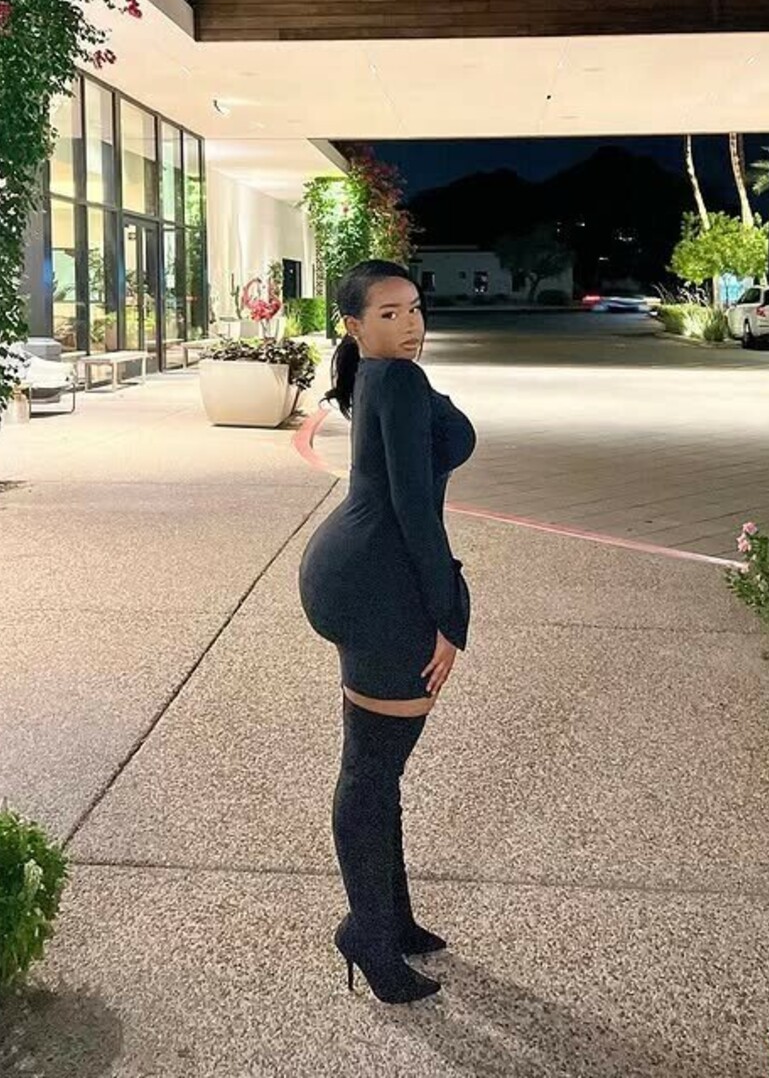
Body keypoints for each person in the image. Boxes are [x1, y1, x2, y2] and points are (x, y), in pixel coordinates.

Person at [298, 259, 476, 1004]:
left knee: (377, 766)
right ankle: (368, 932)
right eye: (389, 314)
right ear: (353, 325)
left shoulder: (378, 374)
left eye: (415, 308)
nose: (410, 325)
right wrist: (450, 614)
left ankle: (389, 919)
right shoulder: (395, 380)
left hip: (357, 570)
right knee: (373, 768)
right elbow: (413, 510)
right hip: (377, 583)